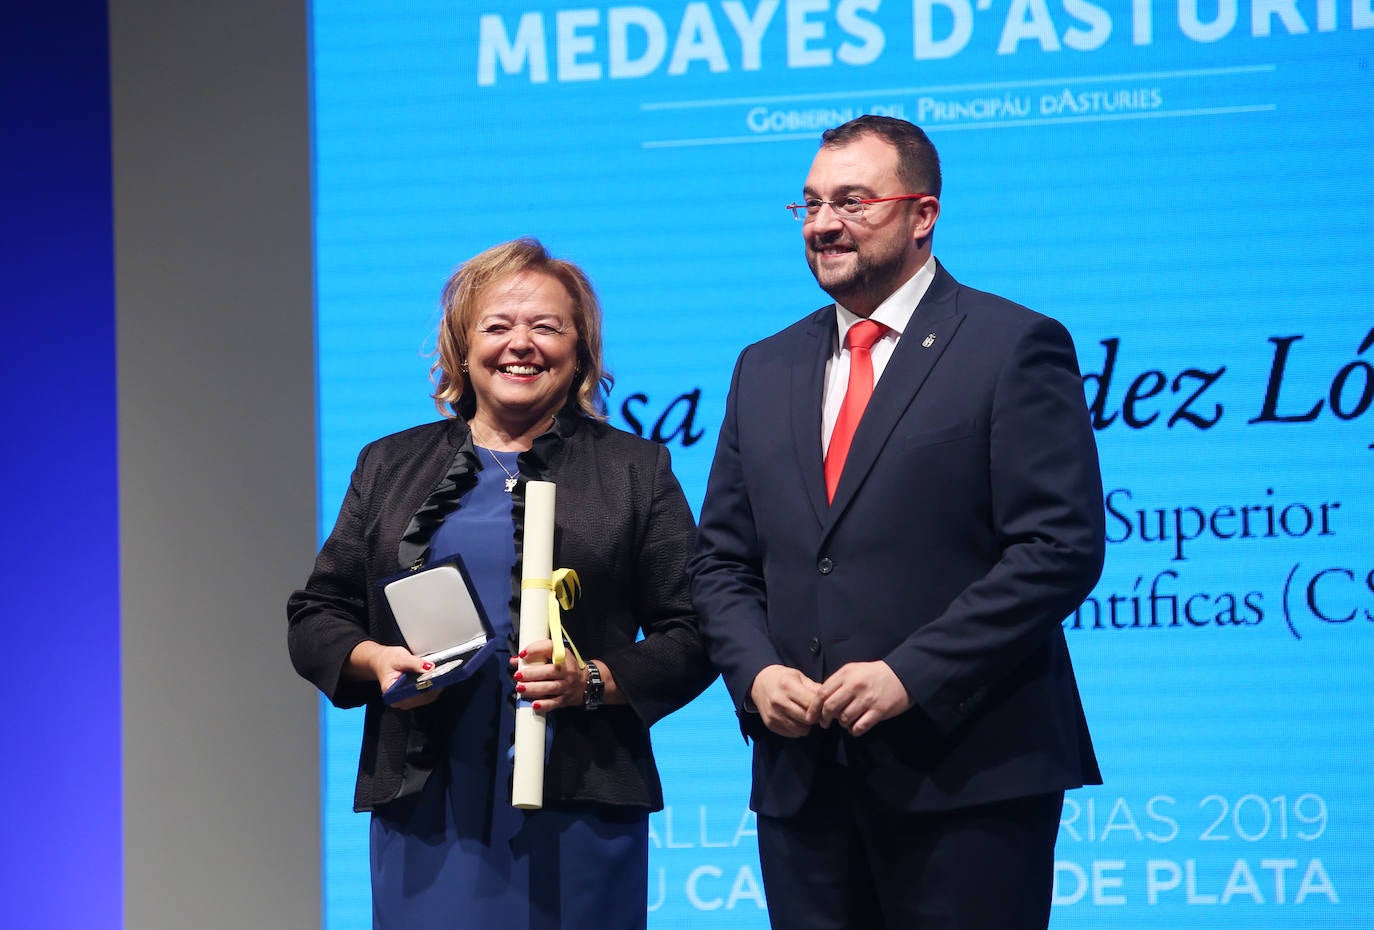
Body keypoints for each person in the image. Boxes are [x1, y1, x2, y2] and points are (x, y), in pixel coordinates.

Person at [689, 115, 1105, 929]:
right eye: (808, 204)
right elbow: (722, 562)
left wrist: (912, 672)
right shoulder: (763, 365)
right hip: (803, 782)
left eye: (851, 201)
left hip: (968, 773)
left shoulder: (1011, 344)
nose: (822, 224)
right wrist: (756, 674)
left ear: (923, 214)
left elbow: (1059, 547)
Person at [288, 237, 715, 930]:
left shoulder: (636, 470)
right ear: (461, 347)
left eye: (547, 327)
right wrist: (376, 662)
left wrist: (594, 680)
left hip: (582, 801)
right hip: (428, 804)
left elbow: (695, 629)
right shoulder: (388, 465)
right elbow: (317, 614)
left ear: (581, 350)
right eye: (497, 326)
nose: (522, 344)